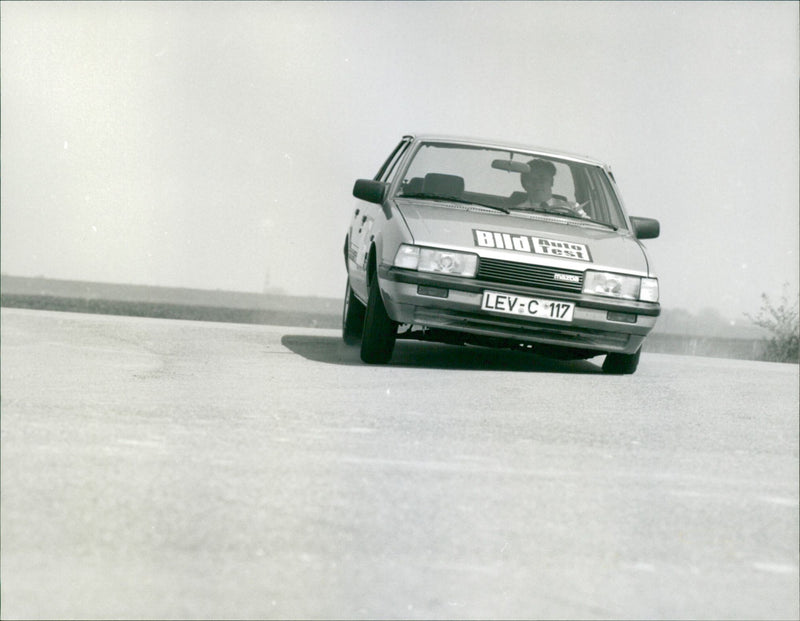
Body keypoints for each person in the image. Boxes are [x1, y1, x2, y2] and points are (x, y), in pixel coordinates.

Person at [516, 158, 589, 218]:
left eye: (542, 179)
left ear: (551, 182)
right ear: (524, 184)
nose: (537, 183)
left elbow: (587, 228)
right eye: (532, 179)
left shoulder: (572, 208)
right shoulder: (517, 212)